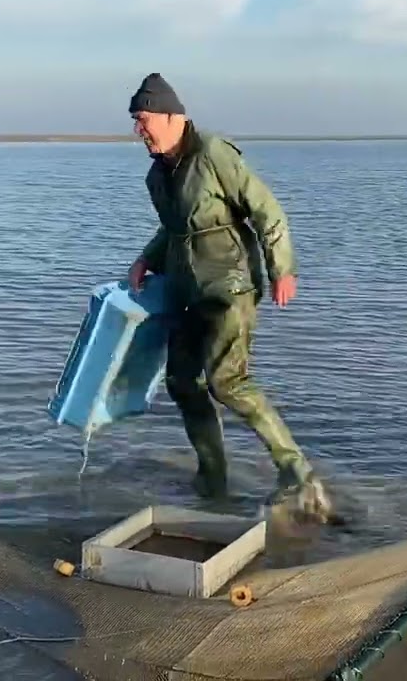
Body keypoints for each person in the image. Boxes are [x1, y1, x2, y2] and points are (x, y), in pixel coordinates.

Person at [124, 72, 330, 522]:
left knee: (227, 382)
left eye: (144, 120)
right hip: (184, 290)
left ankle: (297, 472)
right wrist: (145, 259)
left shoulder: (214, 153)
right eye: (135, 123)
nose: (139, 131)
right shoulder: (157, 175)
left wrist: (283, 269)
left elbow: (266, 209)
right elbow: (175, 227)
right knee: (182, 382)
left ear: (171, 117)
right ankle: (212, 477)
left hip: (230, 286)